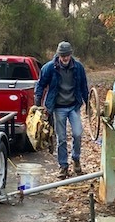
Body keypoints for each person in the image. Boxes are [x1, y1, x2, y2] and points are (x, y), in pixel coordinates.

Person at [35, 41, 89, 179]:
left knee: (77, 133)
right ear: (58, 55)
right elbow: (40, 85)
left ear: (71, 55)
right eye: (62, 56)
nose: (65, 58)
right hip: (58, 107)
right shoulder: (49, 68)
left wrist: (88, 104)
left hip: (73, 105)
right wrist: (38, 102)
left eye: (67, 55)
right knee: (62, 138)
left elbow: (84, 87)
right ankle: (63, 166)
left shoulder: (78, 68)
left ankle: (76, 159)